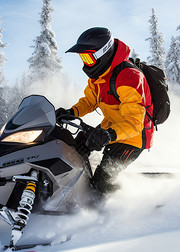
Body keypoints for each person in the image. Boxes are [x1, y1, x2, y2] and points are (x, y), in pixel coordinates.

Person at [56, 27, 154, 202]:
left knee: (102, 183)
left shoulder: (129, 77)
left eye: (88, 57)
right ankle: (70, 195)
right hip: (110, 128)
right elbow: (89, 101)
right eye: (82, 58)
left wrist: (108, 135)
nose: (85, 63)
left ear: (104, 54)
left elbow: (133, 123)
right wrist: (71, 112)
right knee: (73, 151)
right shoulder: (100, 76)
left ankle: (119, 203)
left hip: (133, 137)